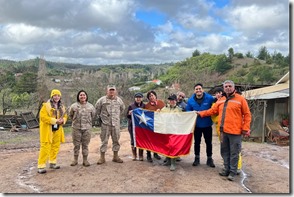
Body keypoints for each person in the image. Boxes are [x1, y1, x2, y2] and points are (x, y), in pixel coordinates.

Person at [198, 80, 251, 181]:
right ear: (223, 88)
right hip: (223, 131)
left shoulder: (240, 99)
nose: (227, 88)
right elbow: (212, 111)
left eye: (229, 86)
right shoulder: (221, 100)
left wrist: (245, 128)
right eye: (226, 86)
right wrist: (200, 113)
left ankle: (232, 171)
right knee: (224, 151)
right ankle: (226, 169)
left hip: (235, 131)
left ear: (233, 87)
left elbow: (247, 114)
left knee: (234, 152)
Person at [211, 87, 243, 175]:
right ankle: (227, 167)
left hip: (234, 129)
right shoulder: (216, 103)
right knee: (225, 150)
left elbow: (244, 114)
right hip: (221, 130)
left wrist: (245, 128)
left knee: (235, 150)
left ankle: (237, 168)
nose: (218, 94)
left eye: (220, 92)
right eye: (216, 93)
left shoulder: (237, 100)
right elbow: (212, 114)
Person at [37, 89, 67, 174]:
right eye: (55, 95)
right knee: (45, 147)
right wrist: (55, 121)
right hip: (48, 130)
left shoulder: (62, 107)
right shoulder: (45, 106)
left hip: (57, 129)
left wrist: (63, 120)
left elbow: (65, 116)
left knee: (55, 146)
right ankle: (41, 166)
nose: (56, 97)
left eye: (58, 95)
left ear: (60, 97)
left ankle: (52, 162)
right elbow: (43, 117)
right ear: (52, 96)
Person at [186, 83, 216, 168]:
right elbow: (187, 110)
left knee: (208, 142)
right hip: (197, 125)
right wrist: (192, 112)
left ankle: (209, 159)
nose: (198, 90)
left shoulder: (210, 98)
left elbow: (214, 108)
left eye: (200, 89)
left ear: (202, 90)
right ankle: (197, 158)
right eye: (196, 89)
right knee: (197, 142)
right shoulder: (190, 100)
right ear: (194, 91)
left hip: (207, 125)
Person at [95, 85, 125, 164]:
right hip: (105, 124)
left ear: (115, 91)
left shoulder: (119, 100)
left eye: (113, 90)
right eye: (110, 90)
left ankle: (115, 157)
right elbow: (97, 110)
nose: (111, 92)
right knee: (104, 141)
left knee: (116, 141)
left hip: (116, 124)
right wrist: (102, 118)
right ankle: (102, 158)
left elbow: (122, 109)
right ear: (107, 91)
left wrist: (115, 117)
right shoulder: (101, 100)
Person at [68, 90, 96, 167]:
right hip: (76, 128)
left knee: (85, 145)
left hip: (87, 129)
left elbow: (93, 116)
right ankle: (75, 160)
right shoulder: (73, 106)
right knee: (76, 145)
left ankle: (85, 160)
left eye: (84, 95)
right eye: (81, 95)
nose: (82, 96)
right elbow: (70, 116)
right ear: (78, 97)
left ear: (86, 96)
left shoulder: (91, 106)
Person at [160, 94, 182, 171]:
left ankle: (173, 162)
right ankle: (168, 160)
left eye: (173, 100)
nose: (171, 101)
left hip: (175, 130)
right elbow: (159, 116)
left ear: (176, 100)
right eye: (170, 100)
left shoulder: (179, 109)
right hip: (166, 130)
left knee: (173, 146)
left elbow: (183, 119)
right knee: (167, 145)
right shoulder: (164, 109)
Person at [144, 90, 165, 162]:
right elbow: (144, 115)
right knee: (149, 140)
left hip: (159, 125)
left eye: (152, 95)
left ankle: (155, 154)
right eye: (149, 96)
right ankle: (148, 155)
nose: (151, 97)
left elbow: (166, 112)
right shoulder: (146, 106)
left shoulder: (161, 103)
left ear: (155, 96)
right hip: (150, 126)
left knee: (156, 140)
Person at [126, 92, 145, 161]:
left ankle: (141, 155)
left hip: (142, 127)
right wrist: (129, 113)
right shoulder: (131, 106)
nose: (138, 99)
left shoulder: (144, 106)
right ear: (135, 98)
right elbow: (127, 116)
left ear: (142, 98)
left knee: (141, 140)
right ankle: (134, 155)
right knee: (133, 140)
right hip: (132, 126)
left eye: (139, 97)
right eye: (137, 97)